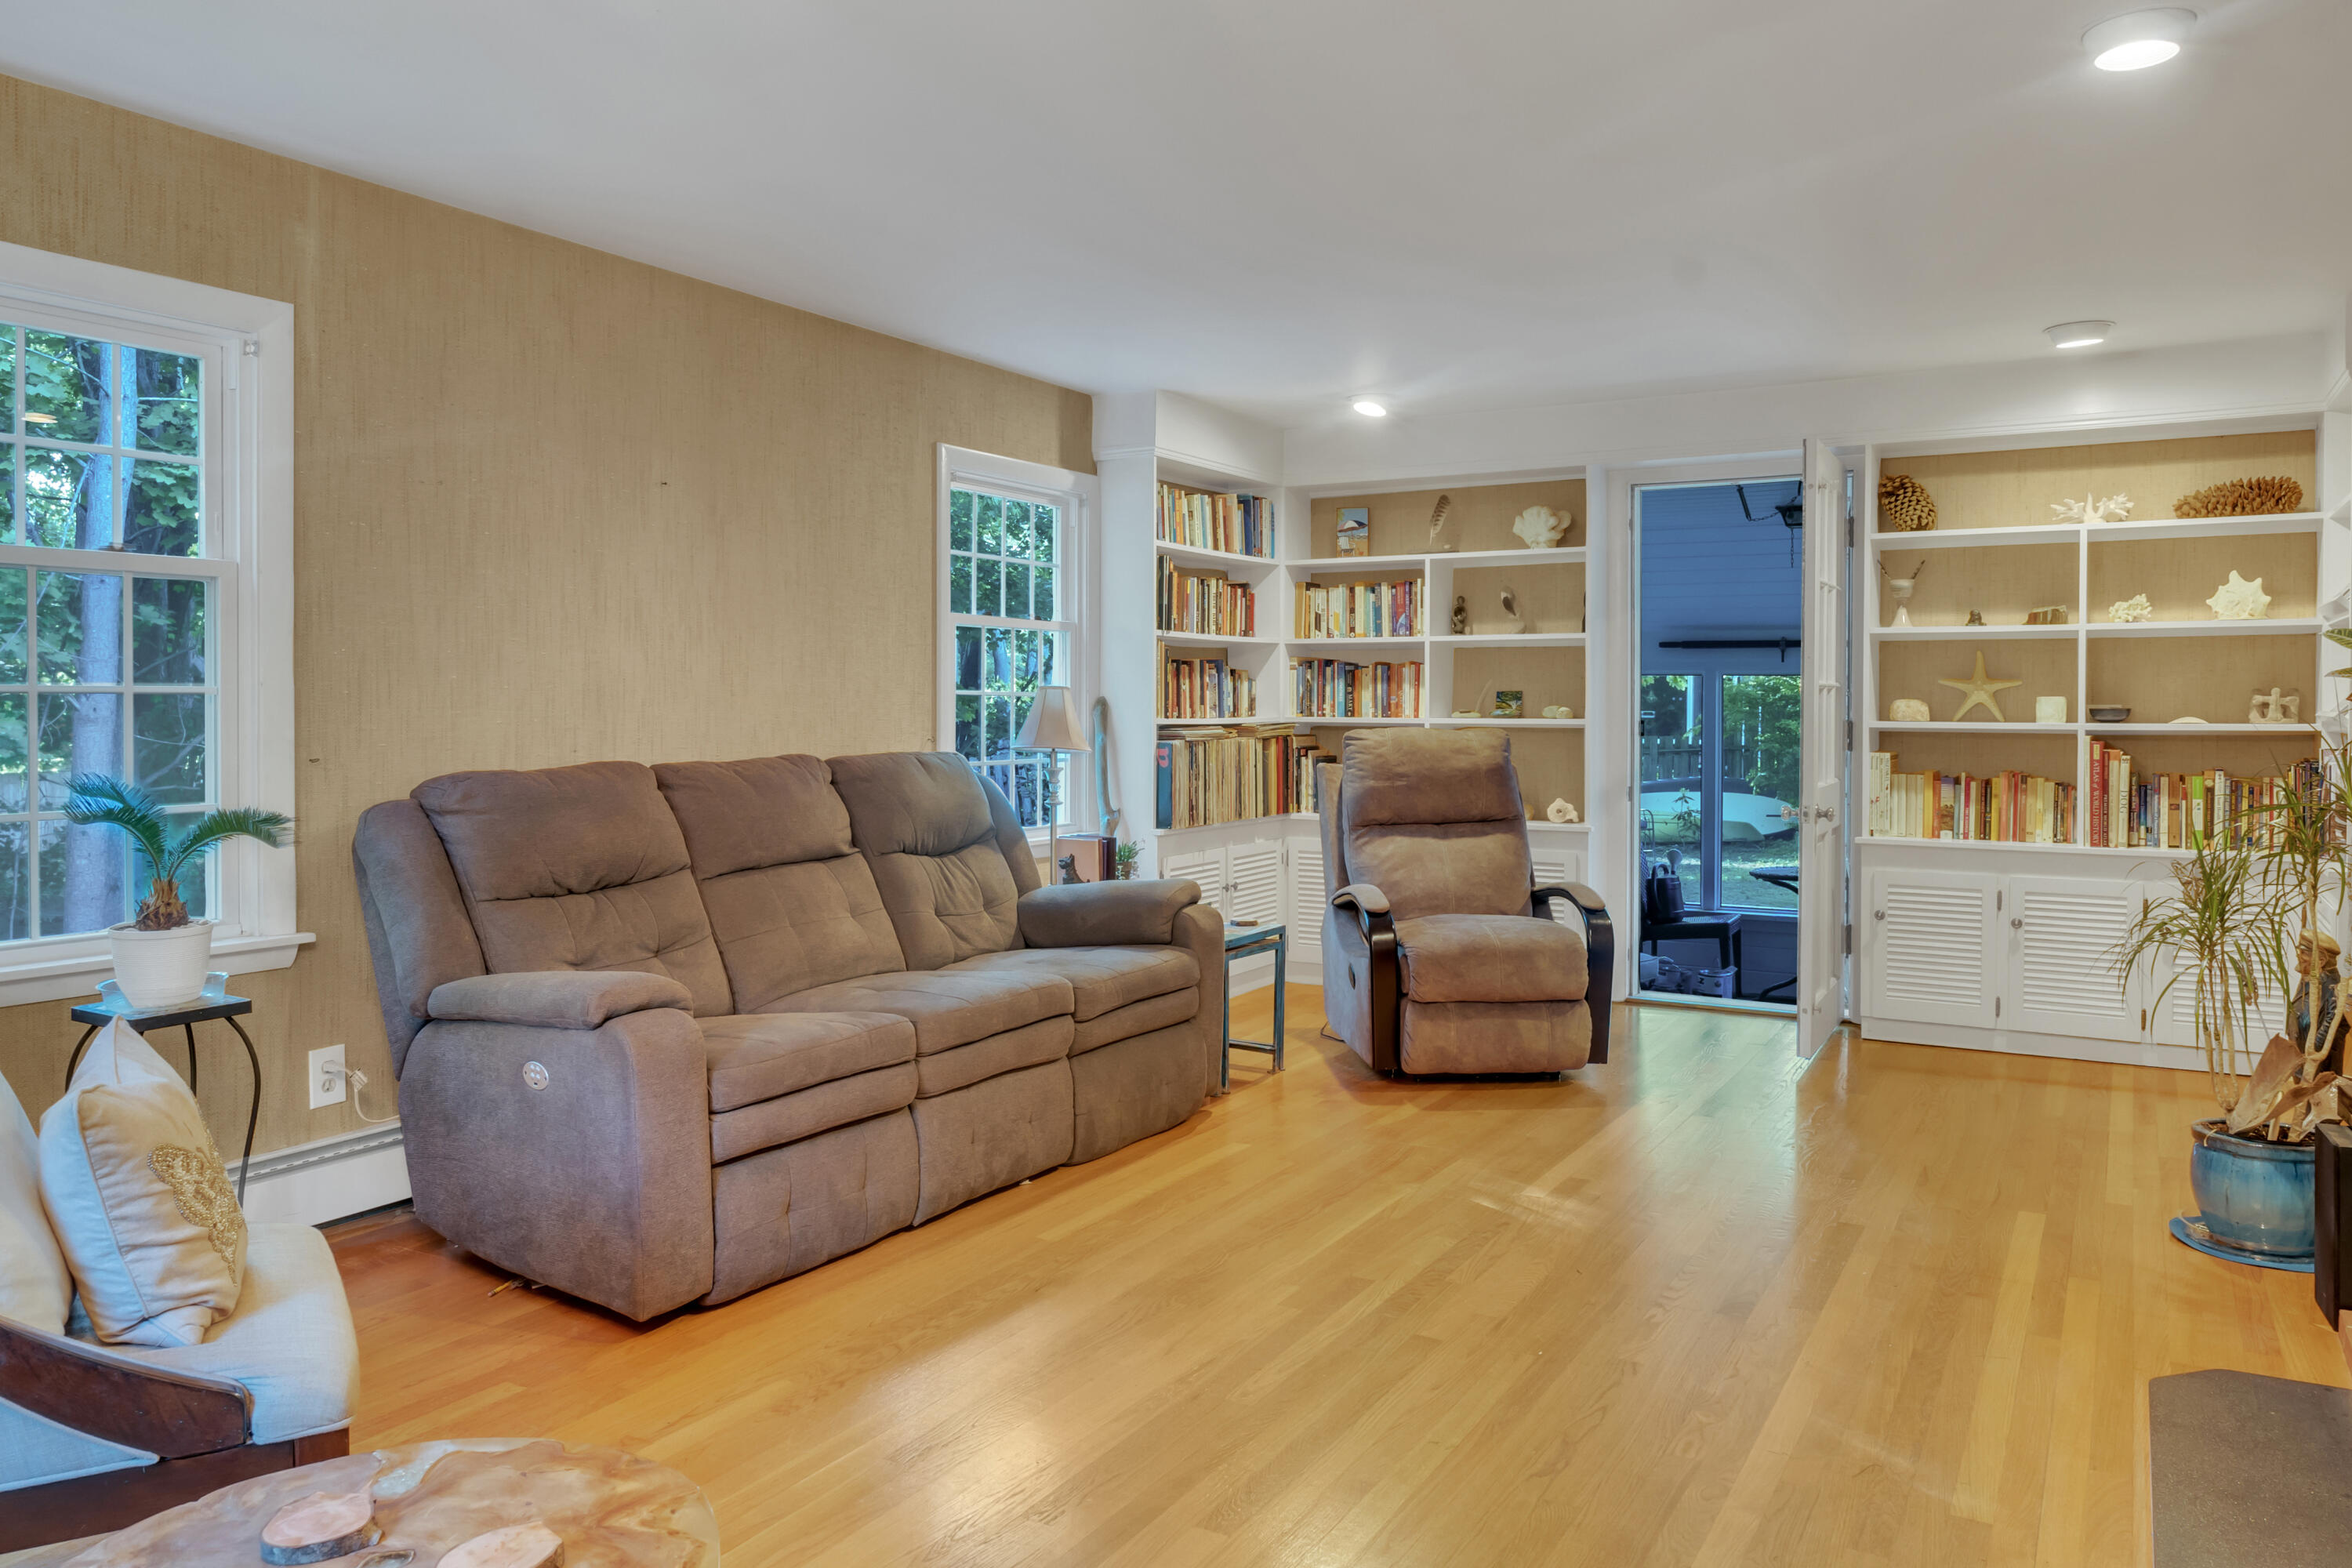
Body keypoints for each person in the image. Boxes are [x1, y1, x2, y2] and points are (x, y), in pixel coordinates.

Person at [2287, 930, 2347, 1076]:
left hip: (2317, 1068)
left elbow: (2328, 1027)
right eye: (2299, 950)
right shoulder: (2310, 977)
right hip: (2301, 1059)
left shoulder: (2333, 988)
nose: (2298, 956)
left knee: (2317, 1096)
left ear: (2321, 961)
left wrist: (2309, 1058)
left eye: (2304, 952)